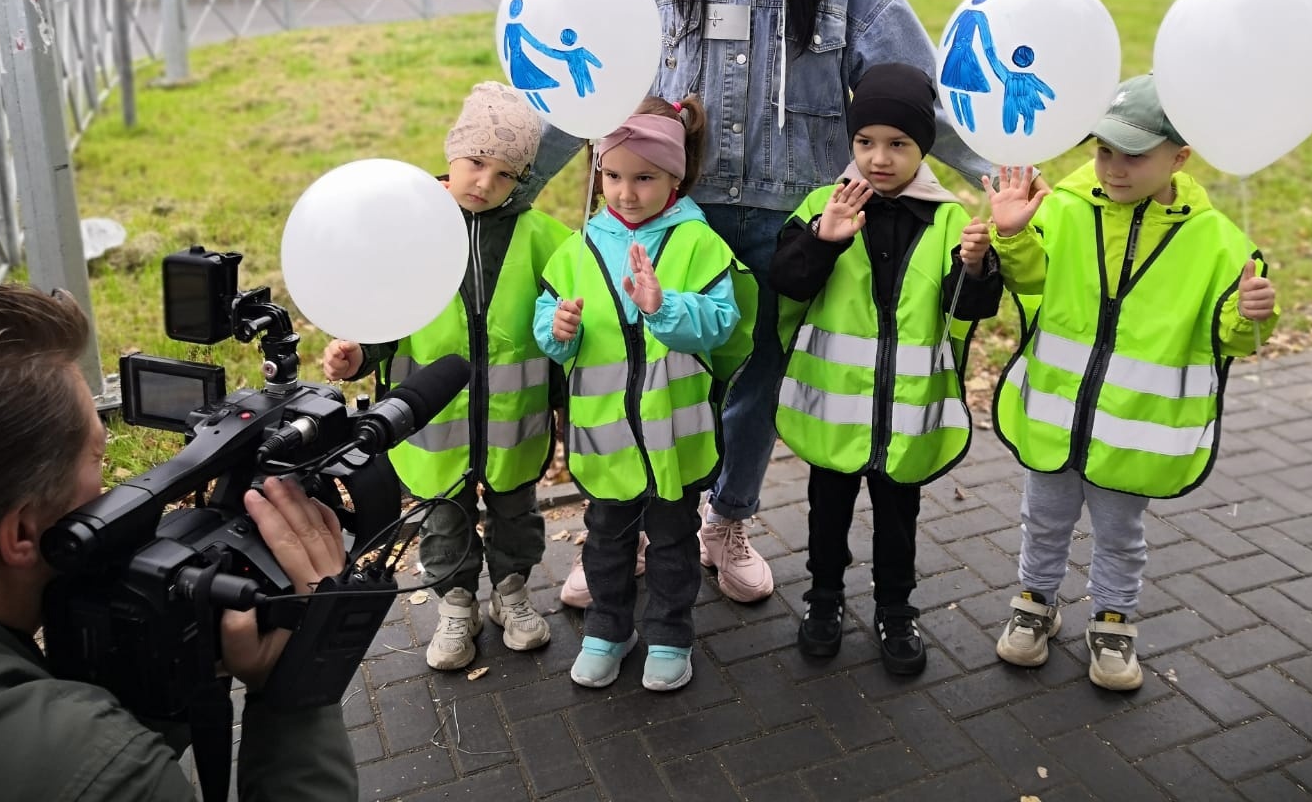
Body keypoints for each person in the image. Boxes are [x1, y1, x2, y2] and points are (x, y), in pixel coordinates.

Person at [533, 0, 990, 604]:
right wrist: (501, 180)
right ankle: (634, 522)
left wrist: (995, 168)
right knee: (653, 367)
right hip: (673, 213)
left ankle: (725, 518)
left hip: (794, 218)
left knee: (755, 380)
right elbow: (585, 75)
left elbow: (905, 73)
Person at [0, 275, 356, 801]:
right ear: (20, 534)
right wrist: (297, 692)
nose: (108, 486)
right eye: (97, 460)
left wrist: (151, 679)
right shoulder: (95, 771)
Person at [985, 74, 1280, 691]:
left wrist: (1253, 314)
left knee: (1121, 534)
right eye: (1103, 151)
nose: (1114, 168)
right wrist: (1009, 233)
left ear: (1180, 157)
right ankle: (1035, 602)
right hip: (1054, 415)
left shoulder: (1218, 243)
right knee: (1043, 519)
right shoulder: (1062, 207)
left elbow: (1232, 338)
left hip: (1135, 429)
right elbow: (1030, 278)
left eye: (1134, 155)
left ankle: (1113, 620)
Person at [323, 81, 571, 672]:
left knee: (516, 513)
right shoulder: (414, 228)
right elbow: (385, 315)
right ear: (452, 150)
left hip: (513, 424)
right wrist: (359, 356)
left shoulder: (543, 237)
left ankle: (511, 593)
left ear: (524, 179)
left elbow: (572, 309)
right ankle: (455, 602)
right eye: (477, 162)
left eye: (506, 174)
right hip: (435, 422)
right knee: (443, 518)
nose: (485, 182)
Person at [770, 63, 1003, 675]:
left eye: (898, 144)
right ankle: (824, 601)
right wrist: (825, 240)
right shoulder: (824, 206)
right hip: (833, 413)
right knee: (827, 513)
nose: (879, 158)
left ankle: (896, 611)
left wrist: (977, 268)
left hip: (906, 414)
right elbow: (786, 281)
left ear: (922, 147)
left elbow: (969, 308)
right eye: (865, 142)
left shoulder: (950, 218)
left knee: (900, 520)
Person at [534, 97, 753, 692]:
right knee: (606, 538)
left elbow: (722, 322)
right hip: (605, 438)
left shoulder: (698, 245)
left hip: (674, 439)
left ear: (675, 177)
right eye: (613, 176)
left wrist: (665, 306)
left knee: (674, 542)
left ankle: (669, 633)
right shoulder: (576, 247)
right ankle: (607, 628)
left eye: (644, 178)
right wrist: (556, 330)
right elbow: (546, 318)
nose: (626, 192)